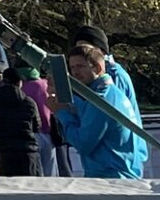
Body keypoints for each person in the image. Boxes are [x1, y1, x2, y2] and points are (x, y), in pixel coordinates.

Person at [55, 26, 147, 180]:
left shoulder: (106, 91)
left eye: (80, 66)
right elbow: (91, 115)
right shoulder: (101, 91)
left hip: (112, 174)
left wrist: (62, 112)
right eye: (72, 68)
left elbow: (86, 139)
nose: (75, 73)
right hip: (116, 169)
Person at [0, 62, 41, 176]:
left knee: (9, 188)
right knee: (33, 188)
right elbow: (37, 126)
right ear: (19, 82)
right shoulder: (29, 102)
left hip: (5, 148)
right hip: (28, 149)